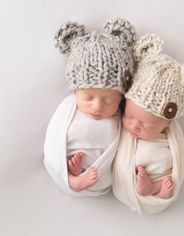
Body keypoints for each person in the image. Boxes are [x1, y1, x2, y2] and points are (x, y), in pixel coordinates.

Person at [112, 34, 184, 213]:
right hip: (133, 175)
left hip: (161, 171)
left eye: (146, 124)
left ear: (167, 123)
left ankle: (155, 189)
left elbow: (179, 156)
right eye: (129, 115)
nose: (134, 126)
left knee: (166, 174)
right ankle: (151, 188)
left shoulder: (169, 135)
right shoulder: (123, 129)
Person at [44, 18, 136, 196]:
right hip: (68, 159)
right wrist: (61, 161)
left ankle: (80, 176)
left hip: (100, 170)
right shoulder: (68, 107)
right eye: (88, 97)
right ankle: (71, 177)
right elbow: (54, 136)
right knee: (54, 156)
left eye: (109, 100)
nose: (97, 106)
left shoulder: (120, 117)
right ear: (75, 92)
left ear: (121, 98)